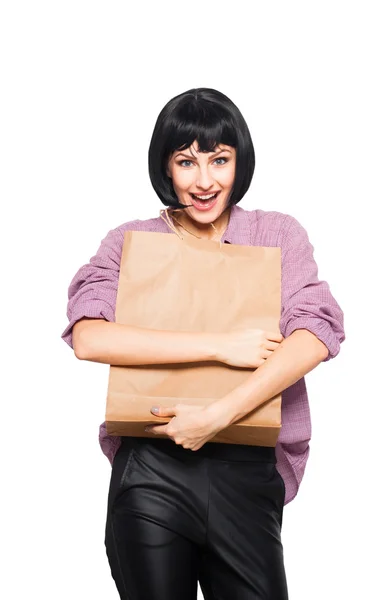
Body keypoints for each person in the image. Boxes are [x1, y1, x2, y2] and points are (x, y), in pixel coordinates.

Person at [61, 88, 345, 600]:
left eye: (219, 159)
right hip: (153, 465)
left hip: (248, 470)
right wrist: (219, 346)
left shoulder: (276, 234)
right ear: (166, 168)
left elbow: (315, 333)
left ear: (239, 161)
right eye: (186, 161)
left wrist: (217, 416)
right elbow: (89, 335)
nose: (205, 180)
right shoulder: (131, 241)